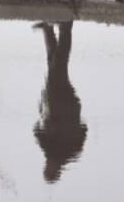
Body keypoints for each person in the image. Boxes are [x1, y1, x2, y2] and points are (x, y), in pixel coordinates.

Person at [33, 21, 87, 183]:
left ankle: (50, 30)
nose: (47, 164)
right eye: (49, 168)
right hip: (61, 102)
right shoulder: (65, 152)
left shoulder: (62, 152)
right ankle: (64, 28)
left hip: (64, 103)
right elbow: (36, 130)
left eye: (46, 167)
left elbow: (84, 130)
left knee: (54, 64)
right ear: (56, 170)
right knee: (58, 64)